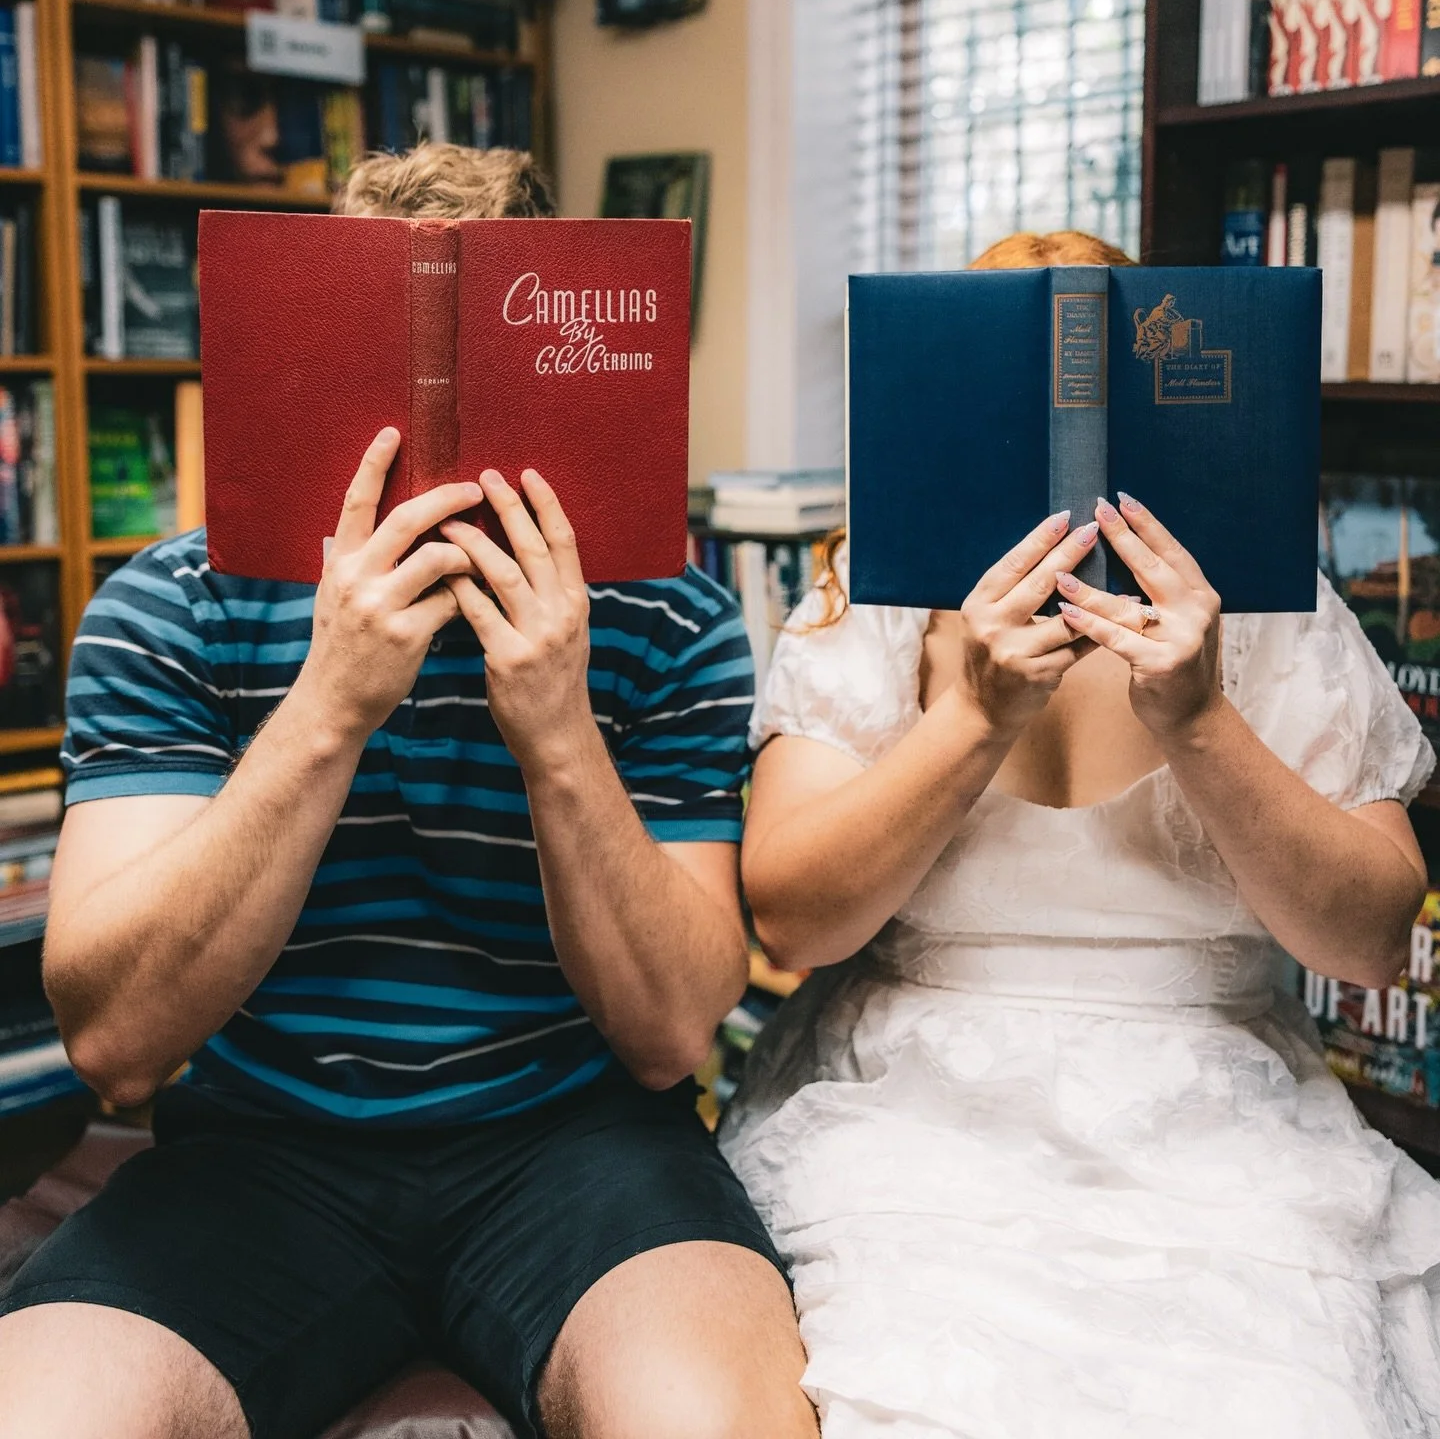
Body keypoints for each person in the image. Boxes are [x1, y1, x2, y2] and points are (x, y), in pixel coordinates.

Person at [0, 144, 815, 1439]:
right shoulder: (166, 609)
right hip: (260, 1155)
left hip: (579, 1148)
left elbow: (670, 1033)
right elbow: (113, 1038)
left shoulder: (673, 617)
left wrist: (557, 729)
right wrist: (328, 705)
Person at [722, 227, 1440, 1438]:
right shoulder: (873, 598)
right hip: (910, 1114)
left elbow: (1372, 939)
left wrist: (1200, 717)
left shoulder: (1263, 599)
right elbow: (793, 917)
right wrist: (975, 716)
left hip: (1217, 1119)